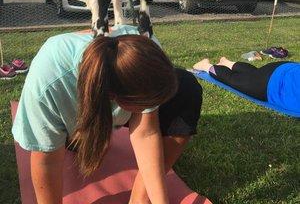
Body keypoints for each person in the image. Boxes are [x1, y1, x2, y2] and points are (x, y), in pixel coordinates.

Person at [12, 25, 202, 204]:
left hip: (107, 97)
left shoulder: (145, 49)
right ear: (117, 100)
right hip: (75, 120)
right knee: (78, 143)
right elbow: (47, 161)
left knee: (186, 87)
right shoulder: (49, 82)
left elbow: (146, 132)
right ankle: (78, 137)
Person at [193, 57, 300, 112]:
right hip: (269, 84)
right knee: (232, 79)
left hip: (285, 67)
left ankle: (228, 63)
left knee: (255, 73)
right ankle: (206, 66)